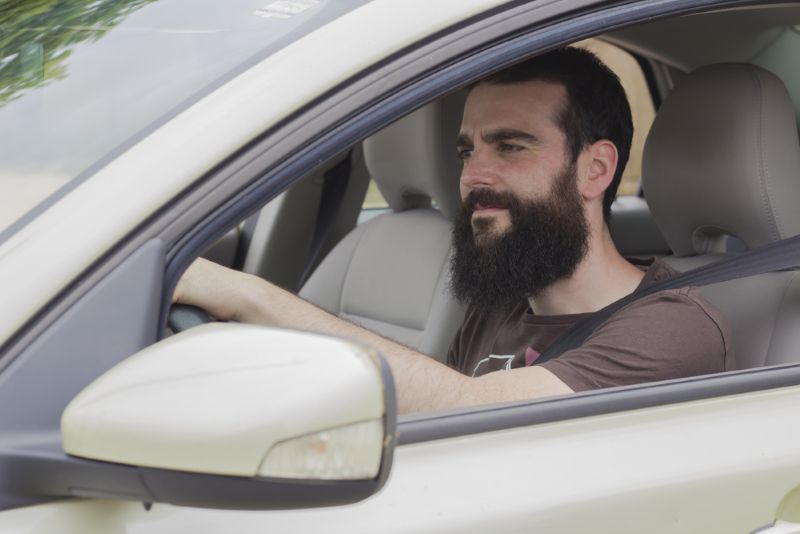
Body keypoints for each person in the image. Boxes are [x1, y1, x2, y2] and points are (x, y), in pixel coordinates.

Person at [174, 47, 734, 414]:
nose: (472, 176)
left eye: (511, 146)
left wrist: (244, 295)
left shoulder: (673, 329)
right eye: (467, 150)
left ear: (596, 169)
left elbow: (468, 411)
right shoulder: (501, 299)